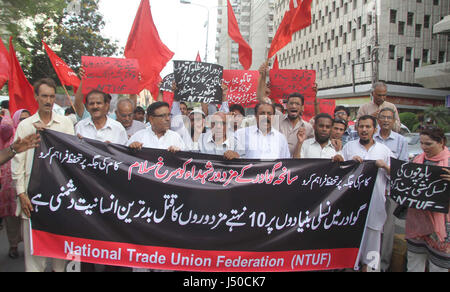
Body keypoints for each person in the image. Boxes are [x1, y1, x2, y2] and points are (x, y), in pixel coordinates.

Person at [11, 78, 75, 272]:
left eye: (52, 96)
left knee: (59, 256)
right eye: (45, 96)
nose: (48, 100)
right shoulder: (26, 126)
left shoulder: (64, 124)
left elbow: (70, 158)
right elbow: (17, 162)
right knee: (34, 258)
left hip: (58, 196)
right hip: (32, 197)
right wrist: (21, 194)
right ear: (36, 97)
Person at [341, 115, 393, 272]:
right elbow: (339, 172)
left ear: (374, 130)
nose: (364, 130)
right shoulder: (349, 147)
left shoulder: (384, 151)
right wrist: (350, 164)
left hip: (375, 205)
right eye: (361, 126)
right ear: (356, 128)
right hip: (352, 206)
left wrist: (384, 166)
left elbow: (396, 175)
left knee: (373, 247)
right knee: (352, 245)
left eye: (368, 127)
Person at [405, 126, 449, 272]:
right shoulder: (418, 159)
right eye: (422, 143)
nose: (424, 147)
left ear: (441, 142)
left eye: (428, 144)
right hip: (417, 222)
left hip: (441, 225)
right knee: (414, 262)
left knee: (438, 266)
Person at [374, 107, 409, 272]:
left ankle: (384, 266)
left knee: (387, 232)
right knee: (371, 229)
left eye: (389, 117)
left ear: (394, 120)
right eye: (383, 117)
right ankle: (368, 263)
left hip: (389, 192)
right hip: (370, 192)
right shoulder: (370, 136)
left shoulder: (401, 141)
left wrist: (385, 167)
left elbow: (401, 170)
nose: (386, 120)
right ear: (378, 120)